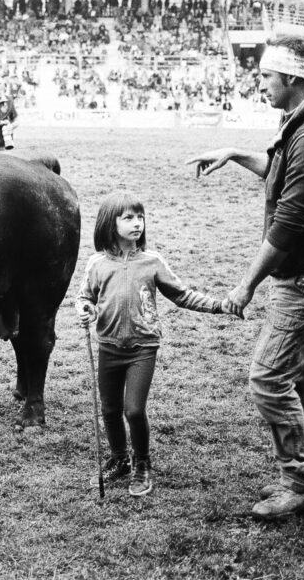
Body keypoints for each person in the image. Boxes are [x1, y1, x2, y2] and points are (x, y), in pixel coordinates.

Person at [185, 36, 304, 521]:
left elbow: (287, 225)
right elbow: (279, 176)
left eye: (266, 77)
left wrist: (245, 286)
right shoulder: (301, 125)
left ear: (294, 79)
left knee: (267, 379)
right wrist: (237, 153)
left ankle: (299, 483)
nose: (260, 84)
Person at [75, 191, 227, 497]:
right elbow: (84, 297)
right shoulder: (97, 264)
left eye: (140, 217)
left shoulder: (152, 262)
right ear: (109, 223)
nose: (137, 223)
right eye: (128, 218)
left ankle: (142, 463)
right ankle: (120, 459)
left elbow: (182, 295)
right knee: (109, 410)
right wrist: (84, 309)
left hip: (143, 348)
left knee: (133, 410)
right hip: (108, 346)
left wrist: (219, 305)